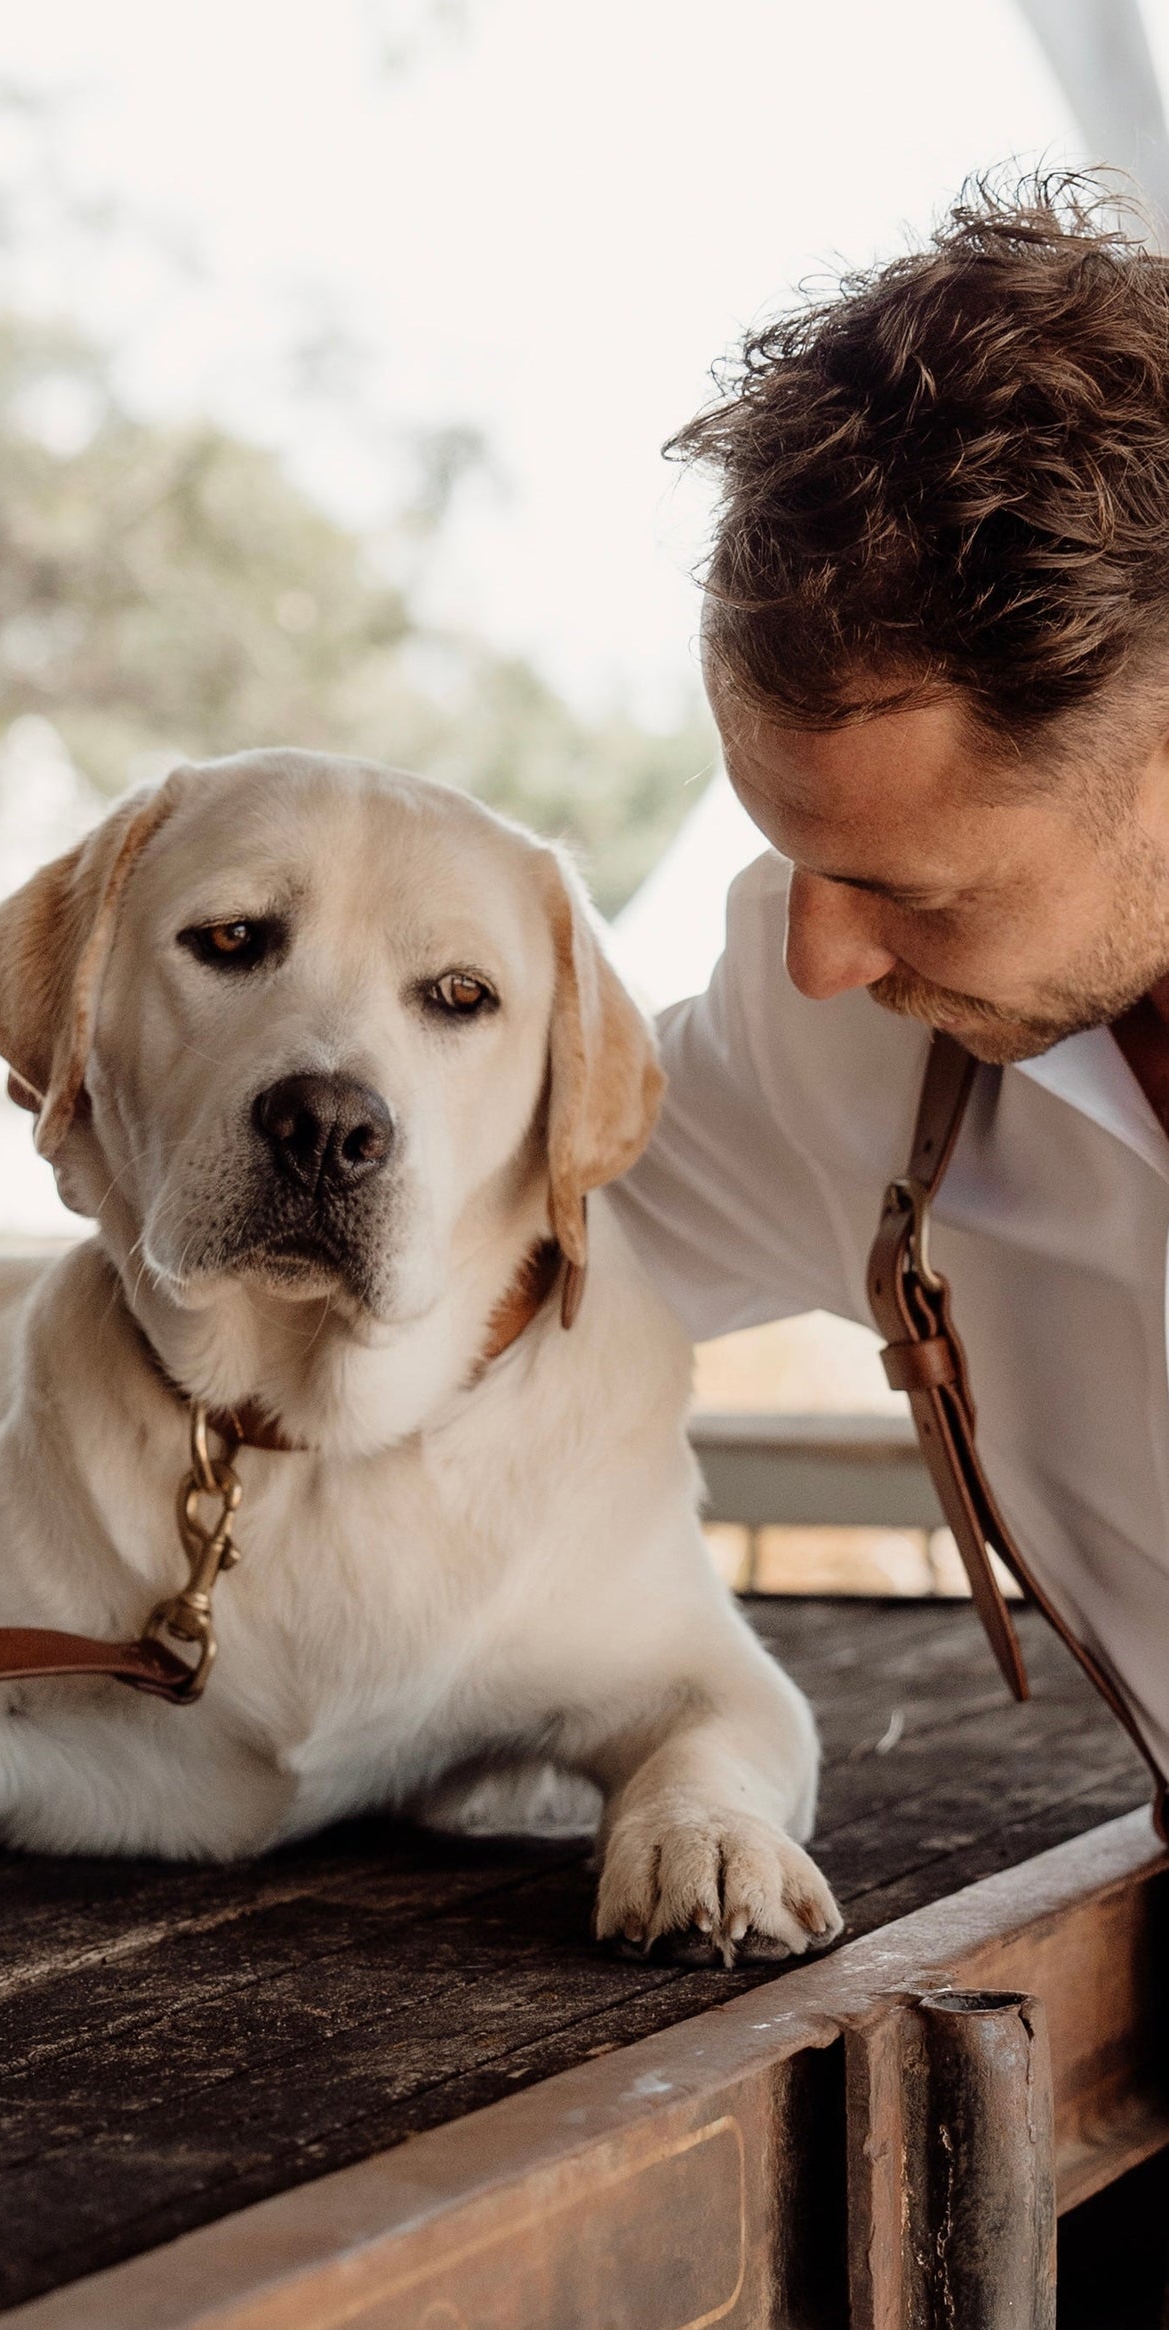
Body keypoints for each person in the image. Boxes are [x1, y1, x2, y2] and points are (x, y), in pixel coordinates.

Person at [607, 175, 1169, 1770]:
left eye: (901, 887)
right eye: (792, 854)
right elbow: (477, 1256)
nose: (816, 953)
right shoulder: (830, 1044)